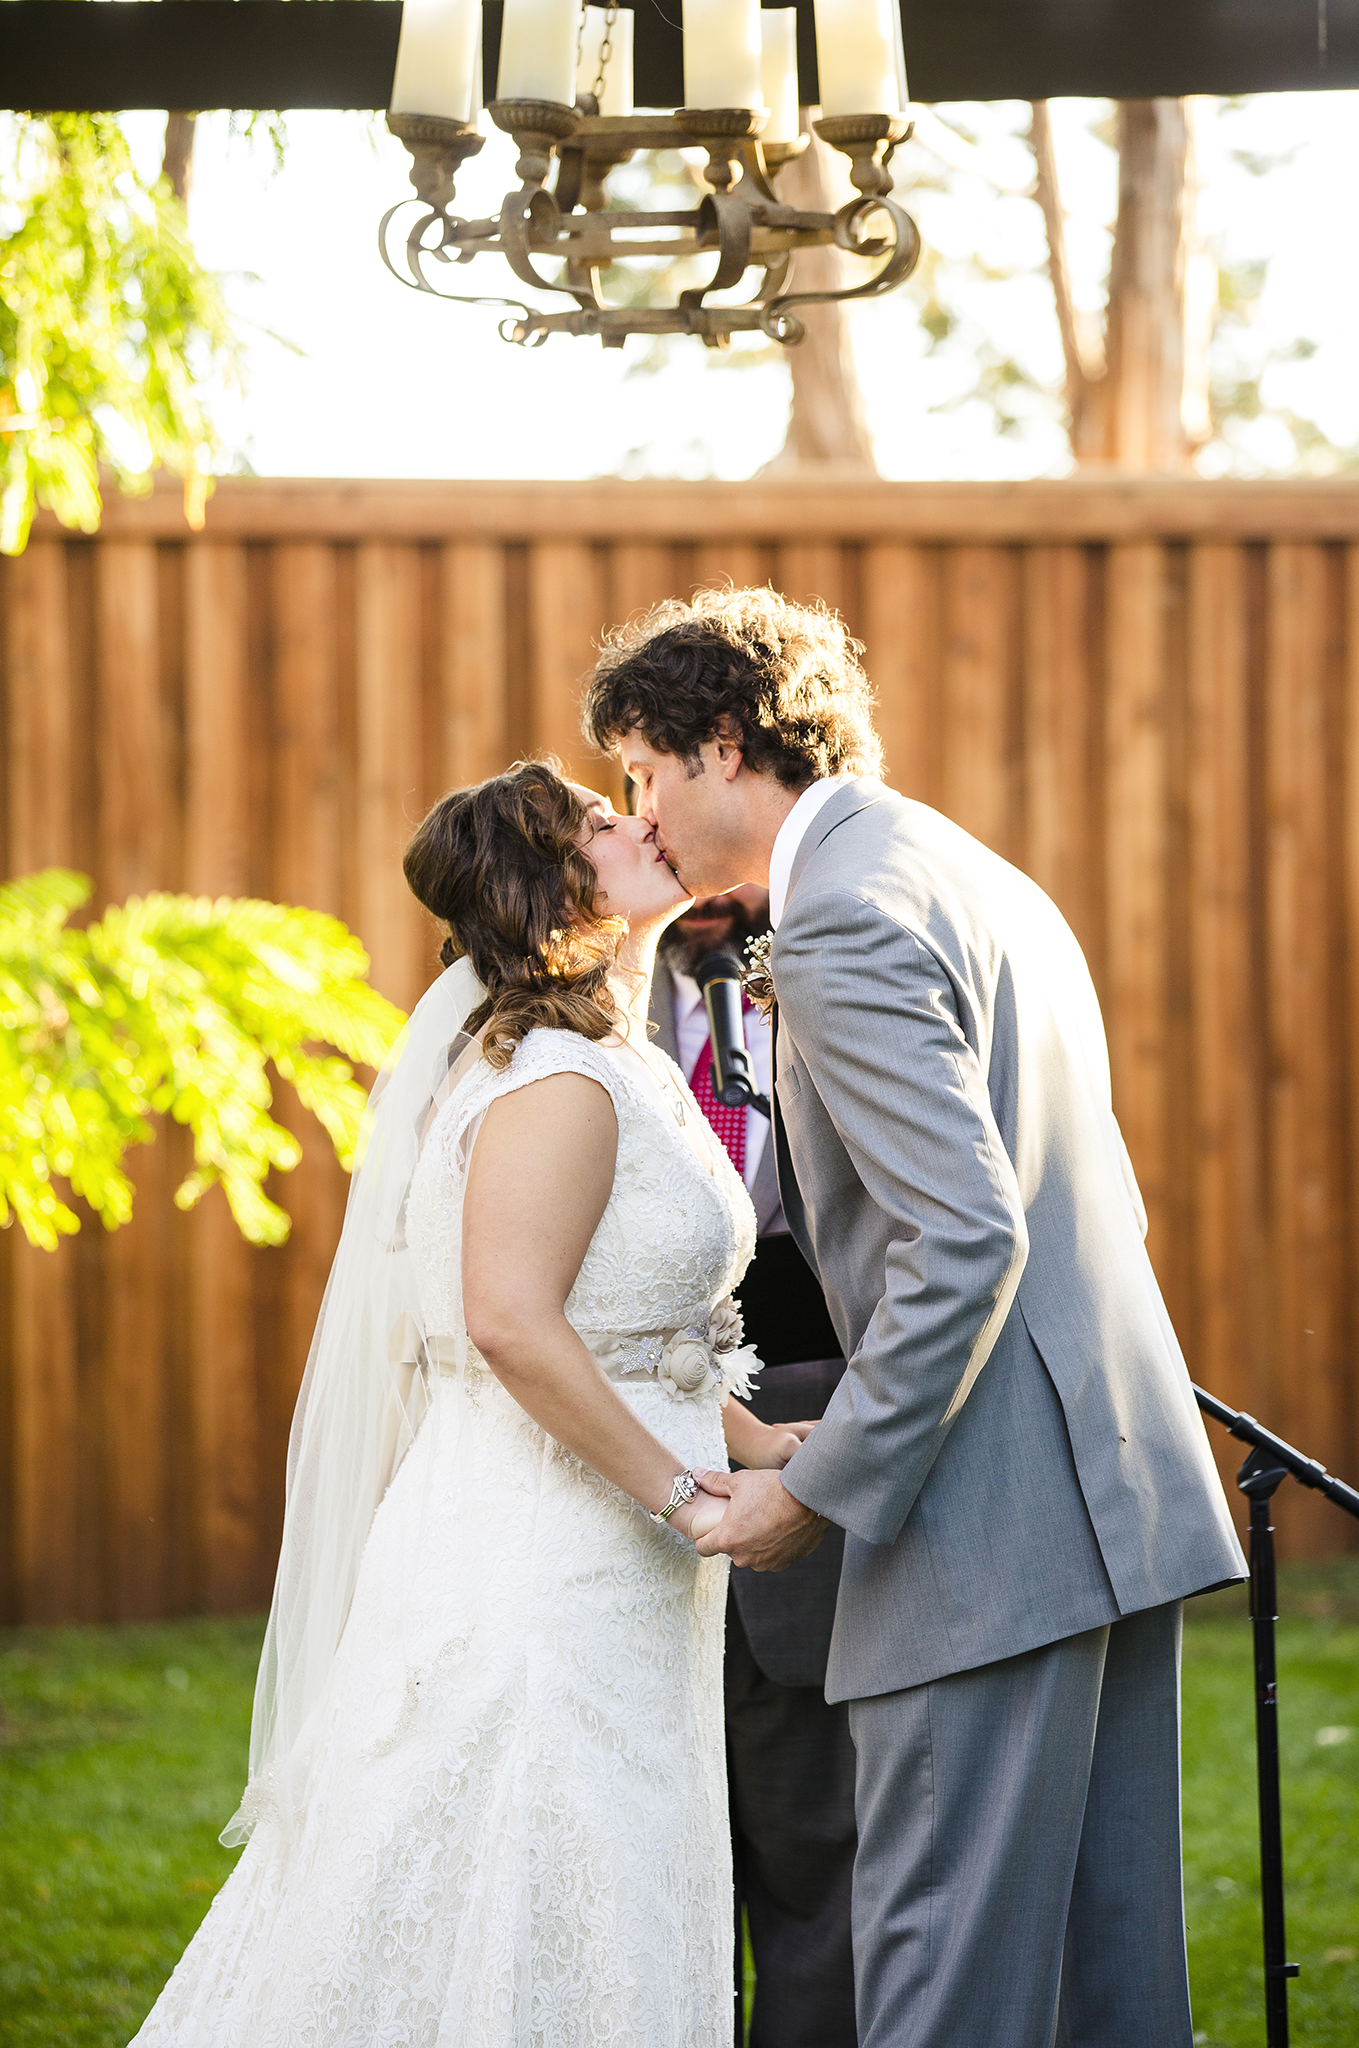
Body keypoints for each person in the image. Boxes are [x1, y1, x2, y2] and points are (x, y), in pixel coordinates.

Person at [582, 589, 1249, 2048]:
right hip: (1103, 1500)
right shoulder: (969, 868)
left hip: (981, 1532)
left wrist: (812, 1493)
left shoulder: (837, 926)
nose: (639, 814)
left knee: (940, 1983)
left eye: (641, 774)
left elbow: (961, 1238)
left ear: (720, 743)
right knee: (1105, 1988)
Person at [129, 759, 814, 2048]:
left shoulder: (616, 1054)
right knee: (521, 1887)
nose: (639, 821)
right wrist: (683, 1493)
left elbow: (629, 1320)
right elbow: (505, 1318)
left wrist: (753, 1436)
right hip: (545, 1574)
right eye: (602, 823)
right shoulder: (557, 1074)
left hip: (620, 1571)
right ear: (558, 889)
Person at [652, 889, 857, 2048]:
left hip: (806, 1437)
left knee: (812, 1837)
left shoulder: (840, 984)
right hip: (610, 1498)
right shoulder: (573, 1016)